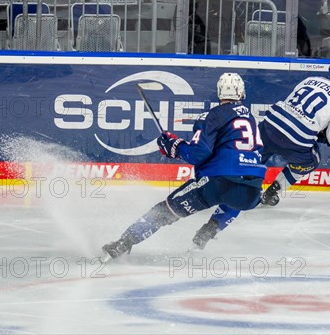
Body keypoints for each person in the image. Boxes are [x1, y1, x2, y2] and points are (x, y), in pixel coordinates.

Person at [191, 59, 330, 250]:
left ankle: (202, 193)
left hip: (269, 128)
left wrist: (320, 132)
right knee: (311, 160)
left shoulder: (310, 80)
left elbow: (296, 113)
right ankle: (272, 192)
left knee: (244, 176)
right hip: (296, 143)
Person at [100, 73, 266, 260]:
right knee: (237, 191)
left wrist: (174, 146)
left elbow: (197, 154)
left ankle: (124, 243)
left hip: (219, 182)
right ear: (242, 93)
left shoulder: (214, 115)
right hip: (253, 191)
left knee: (166, 210)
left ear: (219, 92)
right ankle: (208, 232)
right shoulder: (252, 120)